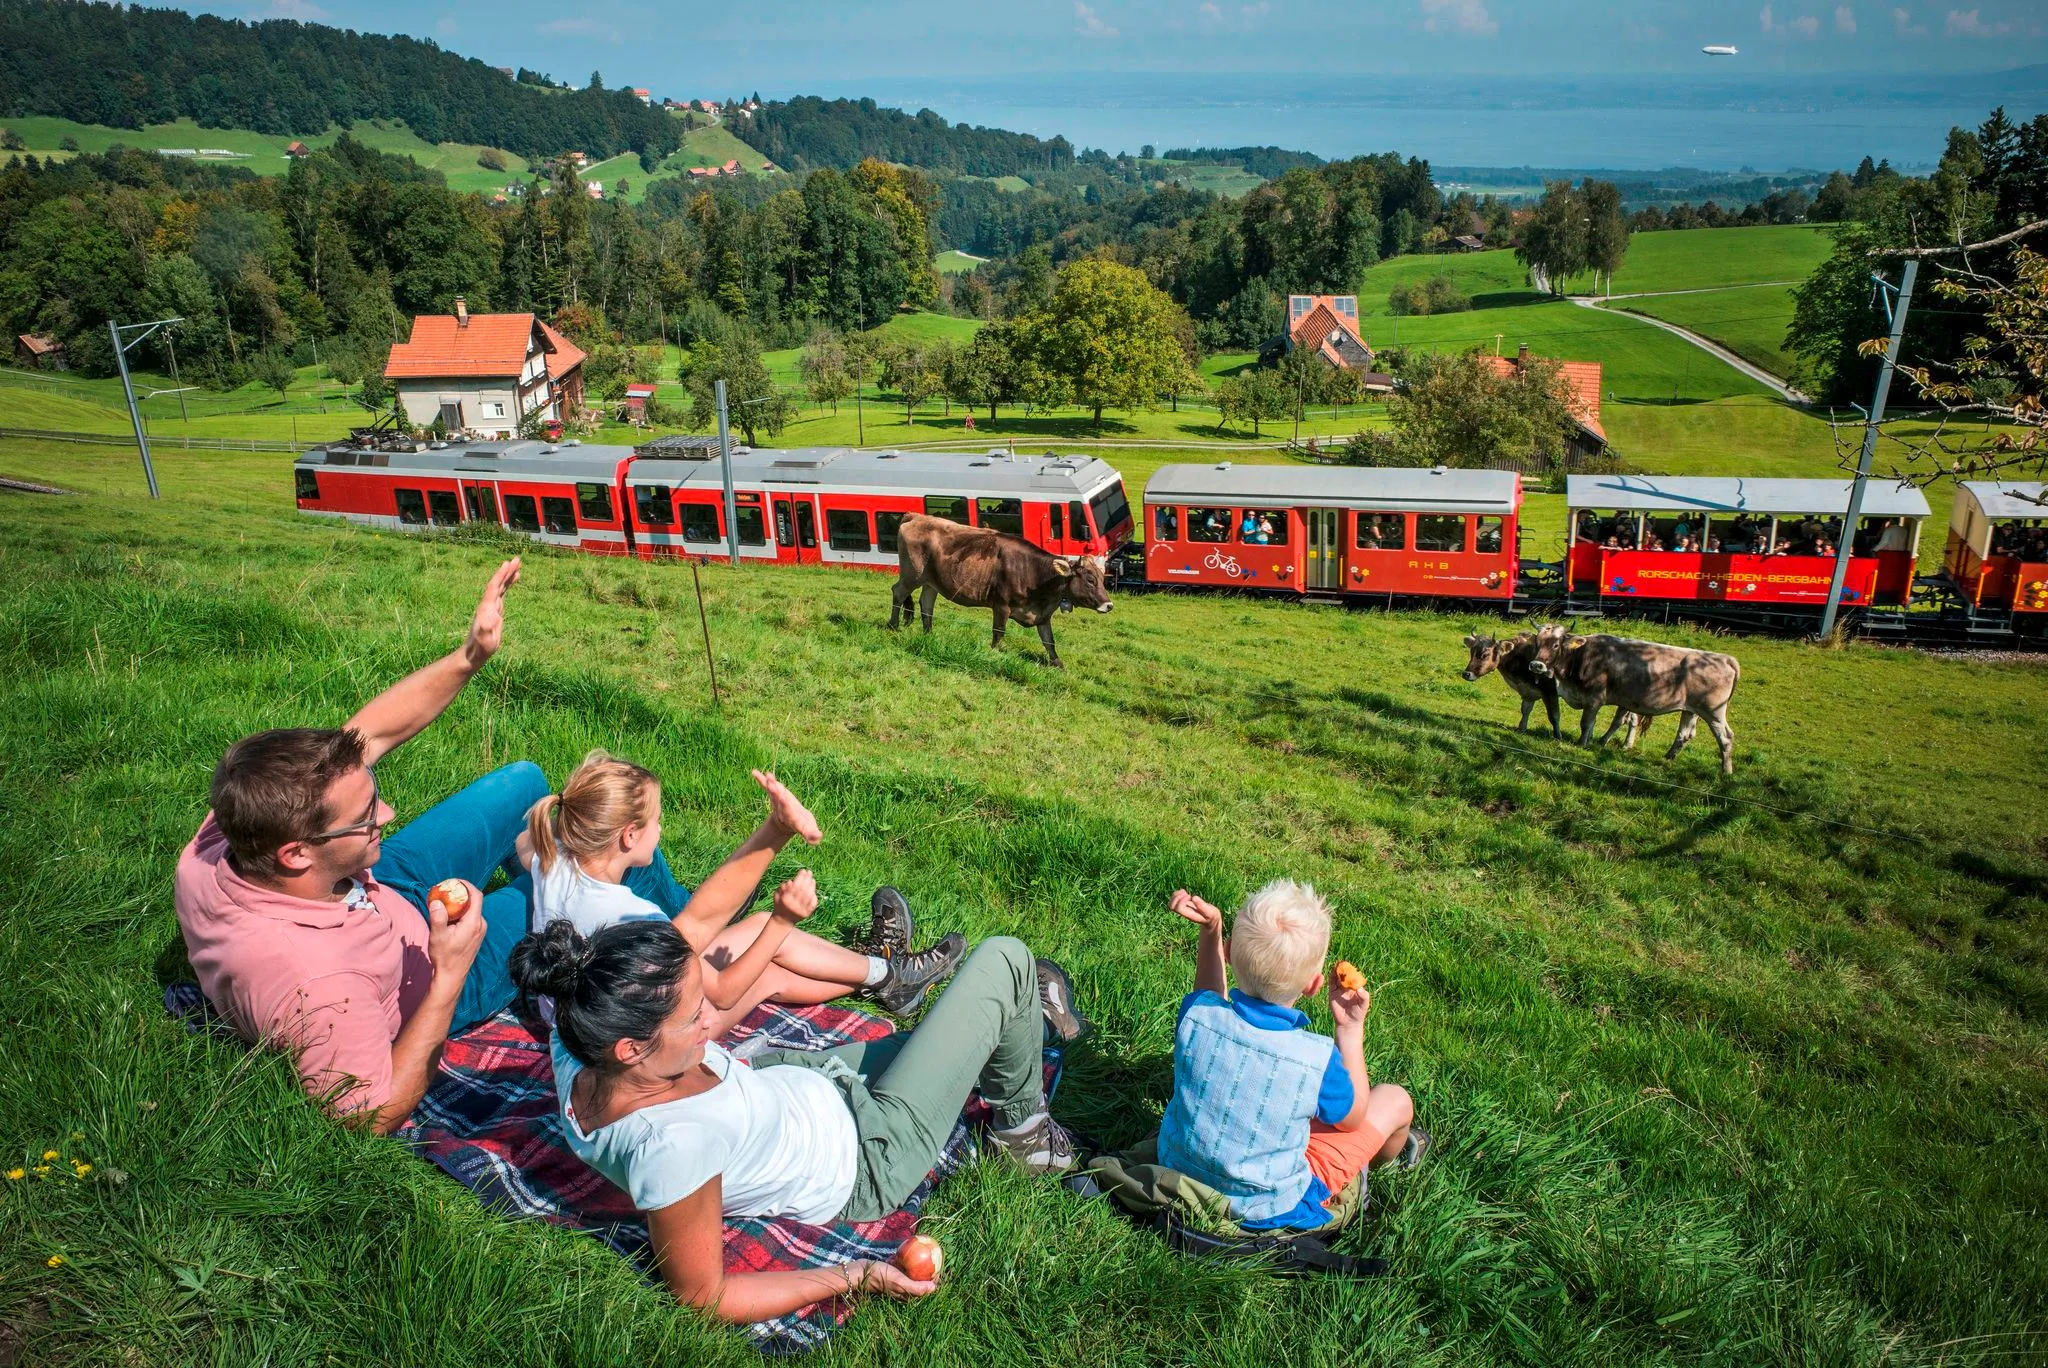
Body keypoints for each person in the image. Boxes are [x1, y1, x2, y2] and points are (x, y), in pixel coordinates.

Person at [515, 915, 1089, 1322]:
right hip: (867, 1148)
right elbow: (703, 1296)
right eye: (693, 1017)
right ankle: (1026, 1136)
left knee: (974, 1027)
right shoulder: (672, 1148)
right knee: (1005, 958)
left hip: (794, 1076)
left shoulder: (578, 1042)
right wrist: (855, 1275)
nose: (709, 1018)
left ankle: (1023, 1020)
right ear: (630, 1050)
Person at [176, 560, 547, 1132]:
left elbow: (369, 734)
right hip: (433, 967)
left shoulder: (227, 832)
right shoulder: (319, 984)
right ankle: (683, 936)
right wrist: (449, 973)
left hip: (376, 884)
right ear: (296, 853)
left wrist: (469, 655)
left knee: (523, 780)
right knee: (584, 873)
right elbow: (370, 1116)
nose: (391, 814)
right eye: (367, 816)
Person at [523, 750, 964, 1028]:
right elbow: (724, 991)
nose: (662, 826)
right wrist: (782, 921)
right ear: (629, 837)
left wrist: (777, 827)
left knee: (747, 929)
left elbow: (698, 922)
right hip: (648, 1039)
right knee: (766, 968)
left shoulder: (552, 852)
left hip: (577, 1016)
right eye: (656, 819)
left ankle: (888, 976)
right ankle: (889, 976)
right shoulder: (631, 921)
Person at [1156, 882, 1424, 1232]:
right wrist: (1350, 1031)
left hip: (1179, 1169)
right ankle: (1371, 1172)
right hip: (1268, 1204)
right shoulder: (1315, 1057)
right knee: (1395, 1100)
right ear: (1313, 986)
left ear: (1230, 950)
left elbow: (1209, 993)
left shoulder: (1197, 1014)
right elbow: (1353, 1118)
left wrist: (1211, 930)